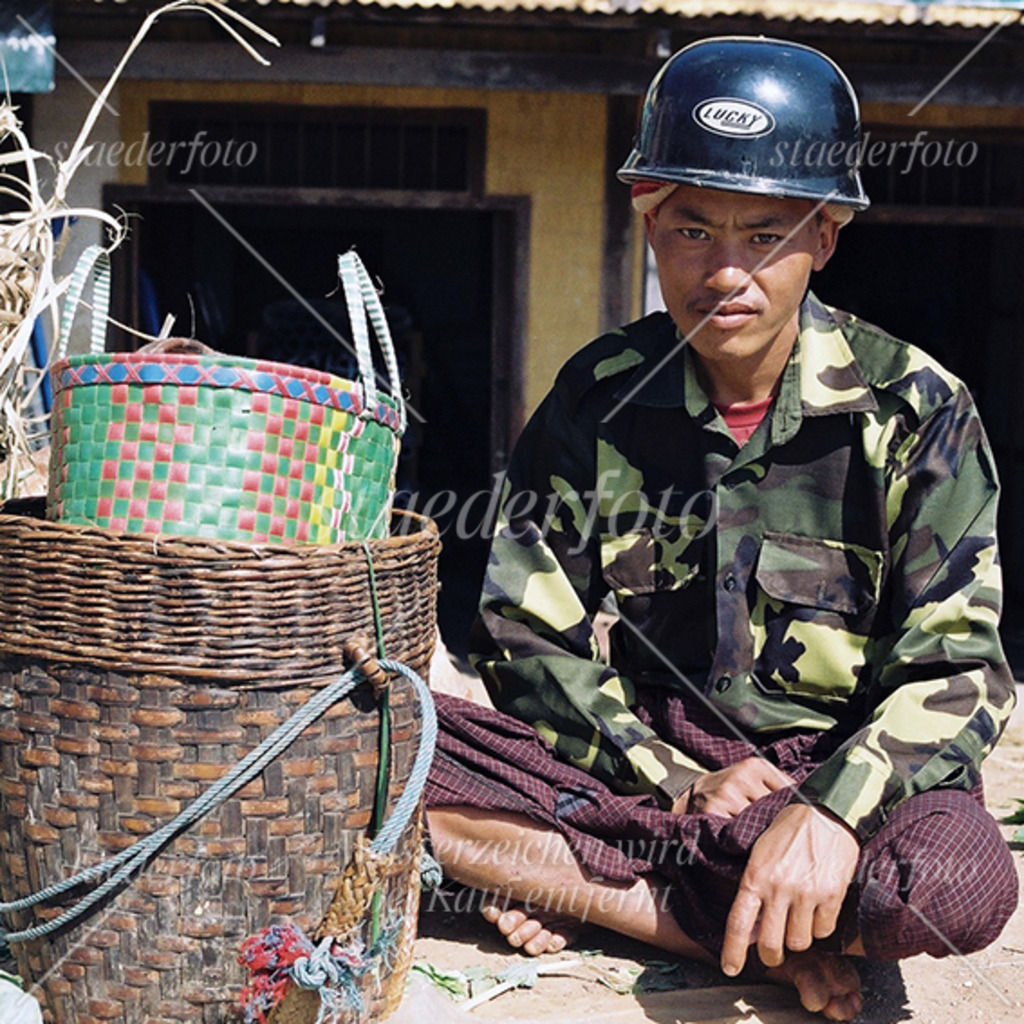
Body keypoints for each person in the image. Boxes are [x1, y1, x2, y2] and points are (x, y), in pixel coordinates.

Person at [423, 36, 1019, 1021]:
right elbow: (524, 641)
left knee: (949, 887)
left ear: (824, 238)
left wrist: (828, 811)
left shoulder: (916, 410)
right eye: (693, 230)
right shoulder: (597, 400)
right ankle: (739, 922)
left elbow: (958, 671)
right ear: (648, 219)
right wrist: (678, 776)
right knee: (383, 743)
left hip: (847, 768)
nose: (724, 272)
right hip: (649, 770)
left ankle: (607, 888)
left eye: (765, 235)